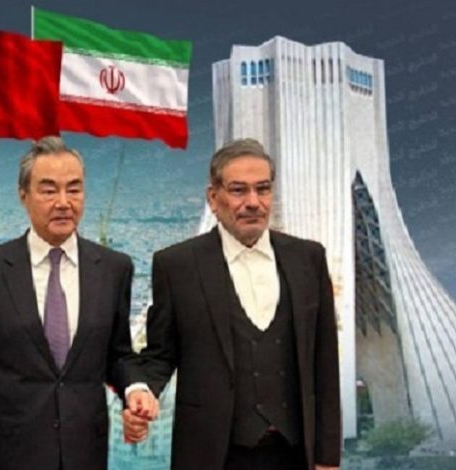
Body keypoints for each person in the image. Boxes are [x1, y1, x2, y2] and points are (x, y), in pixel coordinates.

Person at [123, 138, 341, 470]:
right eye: (239, 190)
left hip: (296, 456)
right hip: (213, 455)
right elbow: (160, 356)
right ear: (213, 198)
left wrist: (327, 458)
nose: (253, 202)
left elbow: (325, 365)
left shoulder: (308, 259)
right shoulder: (177, 266)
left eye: (263, 189)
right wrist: (141, 395)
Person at [0, 136, 137, 470]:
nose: (63, 202)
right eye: (48, 190)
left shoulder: (114, 268)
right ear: (23, 195)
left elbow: (119, 355)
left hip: (85, 453)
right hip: (11, 453)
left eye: (74, 189)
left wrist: (136, 389)